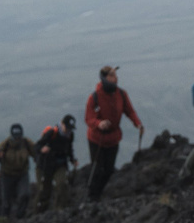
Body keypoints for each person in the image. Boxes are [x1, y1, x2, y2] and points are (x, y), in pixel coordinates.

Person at [85, 65, 143, 201]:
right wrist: (99, 123)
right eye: (112, 75)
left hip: (113, 139)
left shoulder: (121, 94)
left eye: (115, 75)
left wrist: (138, 123)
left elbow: (129, 111)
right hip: (96, 139)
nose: (116, 78)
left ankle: (99, 194)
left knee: (109, 170)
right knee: (97, 169)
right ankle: (92, 197)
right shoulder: (95, 97)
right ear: (104, 78)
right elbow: (89, 118)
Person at [35, 116, 78, 210]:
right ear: (62, 124)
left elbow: (69, 149)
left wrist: (72, 159)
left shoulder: (70, 135)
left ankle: (59, 210)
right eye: (67, 127)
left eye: (70, 128)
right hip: (46, 165)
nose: (68, 130)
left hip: (60, 165)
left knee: (62, 184)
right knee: (45, 190)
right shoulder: (52, 133)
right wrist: (42, 149)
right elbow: (37, 146)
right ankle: (40, 211)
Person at [0, 124, 33, 221]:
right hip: (7, 175)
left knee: (25, 194)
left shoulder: (26, 143)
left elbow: (36, 152)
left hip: (22, 174)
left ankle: (20, 216)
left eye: (19, 136)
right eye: (15, 136)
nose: (17, 138)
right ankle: (4, 220)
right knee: (6, 201)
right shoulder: (5, 144)